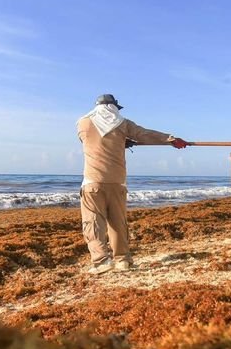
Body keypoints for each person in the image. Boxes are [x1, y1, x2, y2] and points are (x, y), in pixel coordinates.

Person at [77, 94, 188, 275]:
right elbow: (144, 134)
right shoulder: (123, 124)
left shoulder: (83, 123)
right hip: (118, 183)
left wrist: (121, 141)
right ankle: (122, 260)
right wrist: (171, 139)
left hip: (92, 182)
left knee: (93, 223)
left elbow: (89, 140)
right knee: (118, 223)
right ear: (114, 107)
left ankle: (101, 261)